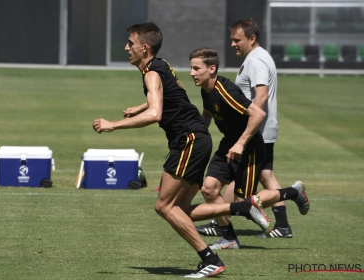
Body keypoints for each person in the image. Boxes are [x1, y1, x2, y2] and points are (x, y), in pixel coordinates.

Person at [92, 22, 273, 278]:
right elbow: (177, 94)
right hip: (199, 138)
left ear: (144, 47)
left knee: (163, 207)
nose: (126, 48)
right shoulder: (162, 65)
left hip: (187, 140)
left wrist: (114, 125)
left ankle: (210, 258)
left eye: (130, 44)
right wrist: (140, 106)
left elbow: (157, 113)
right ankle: (243, 207)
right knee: (182, 210)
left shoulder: (151, 73)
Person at [189, 47, 309, 251]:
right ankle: (229, 239)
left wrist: (241, 143)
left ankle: (294, 192)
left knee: (242, 202)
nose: (192, 73)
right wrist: (197, 136)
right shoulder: (206, 90)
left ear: (211, 69)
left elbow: (258, 115)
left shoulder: (227, 91)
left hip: (249, 147)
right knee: (209, 189)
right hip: (229, 144)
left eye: (195, 68)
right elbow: (208, 113)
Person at [196, 19, 294, 241]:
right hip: (251, 131)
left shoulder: (257, 60)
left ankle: (291, 197)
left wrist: (245, 134)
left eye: (236, 40)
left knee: (244, 188)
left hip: (253, 132)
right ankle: (282, 224)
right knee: (263, 175)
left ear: (252, 38)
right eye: (232, 39)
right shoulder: (255, 58)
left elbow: (260, 97)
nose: (232, 44)